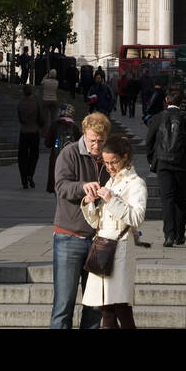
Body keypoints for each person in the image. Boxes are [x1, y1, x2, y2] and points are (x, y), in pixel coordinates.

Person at [50, 111, 111, 329]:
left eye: (101, 141)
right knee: (64, 304)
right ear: (84, 134)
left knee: (95, 306)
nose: (97, 145)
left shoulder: (108, 157)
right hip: (69, 236)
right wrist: (82, 186)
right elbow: (61, 186)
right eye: (93, 140)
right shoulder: (70, 153)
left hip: (98, 239)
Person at [81, 133, 147, 329]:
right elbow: (96, 222)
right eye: (106, 162)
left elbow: (137, 218)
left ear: (125, 157)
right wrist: (89, 202)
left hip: (119, 248)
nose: (109, 167)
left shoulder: (136, 183)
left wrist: (112, 199)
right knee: (106, 309)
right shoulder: (111, 181)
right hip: (102, 246)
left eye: (114, 162)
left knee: (120, 307)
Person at [146, 88, 186, 246]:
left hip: (163, 164)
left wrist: (151, 160)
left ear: (166, 100)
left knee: (167, 200)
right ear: (181, 102)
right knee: (180, 199)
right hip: (182, 164)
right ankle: (179, 234)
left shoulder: (157, 118)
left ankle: (168, 235)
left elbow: (149, 141)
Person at [44, 104, 82, 193]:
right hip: (71, 159)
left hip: (56, 158)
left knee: (55, 182)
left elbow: (48, 143)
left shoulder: (54, 125)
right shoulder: (75, 127)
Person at [17, 84, 45, 188]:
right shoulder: (36, 103)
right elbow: (41, 118)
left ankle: (24, 179)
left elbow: (19, 118)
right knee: (34, 155)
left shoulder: (21, 103)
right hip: (34, 131)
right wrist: (40, 125)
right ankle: (30, 174)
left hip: (24, 131)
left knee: (22, 156)